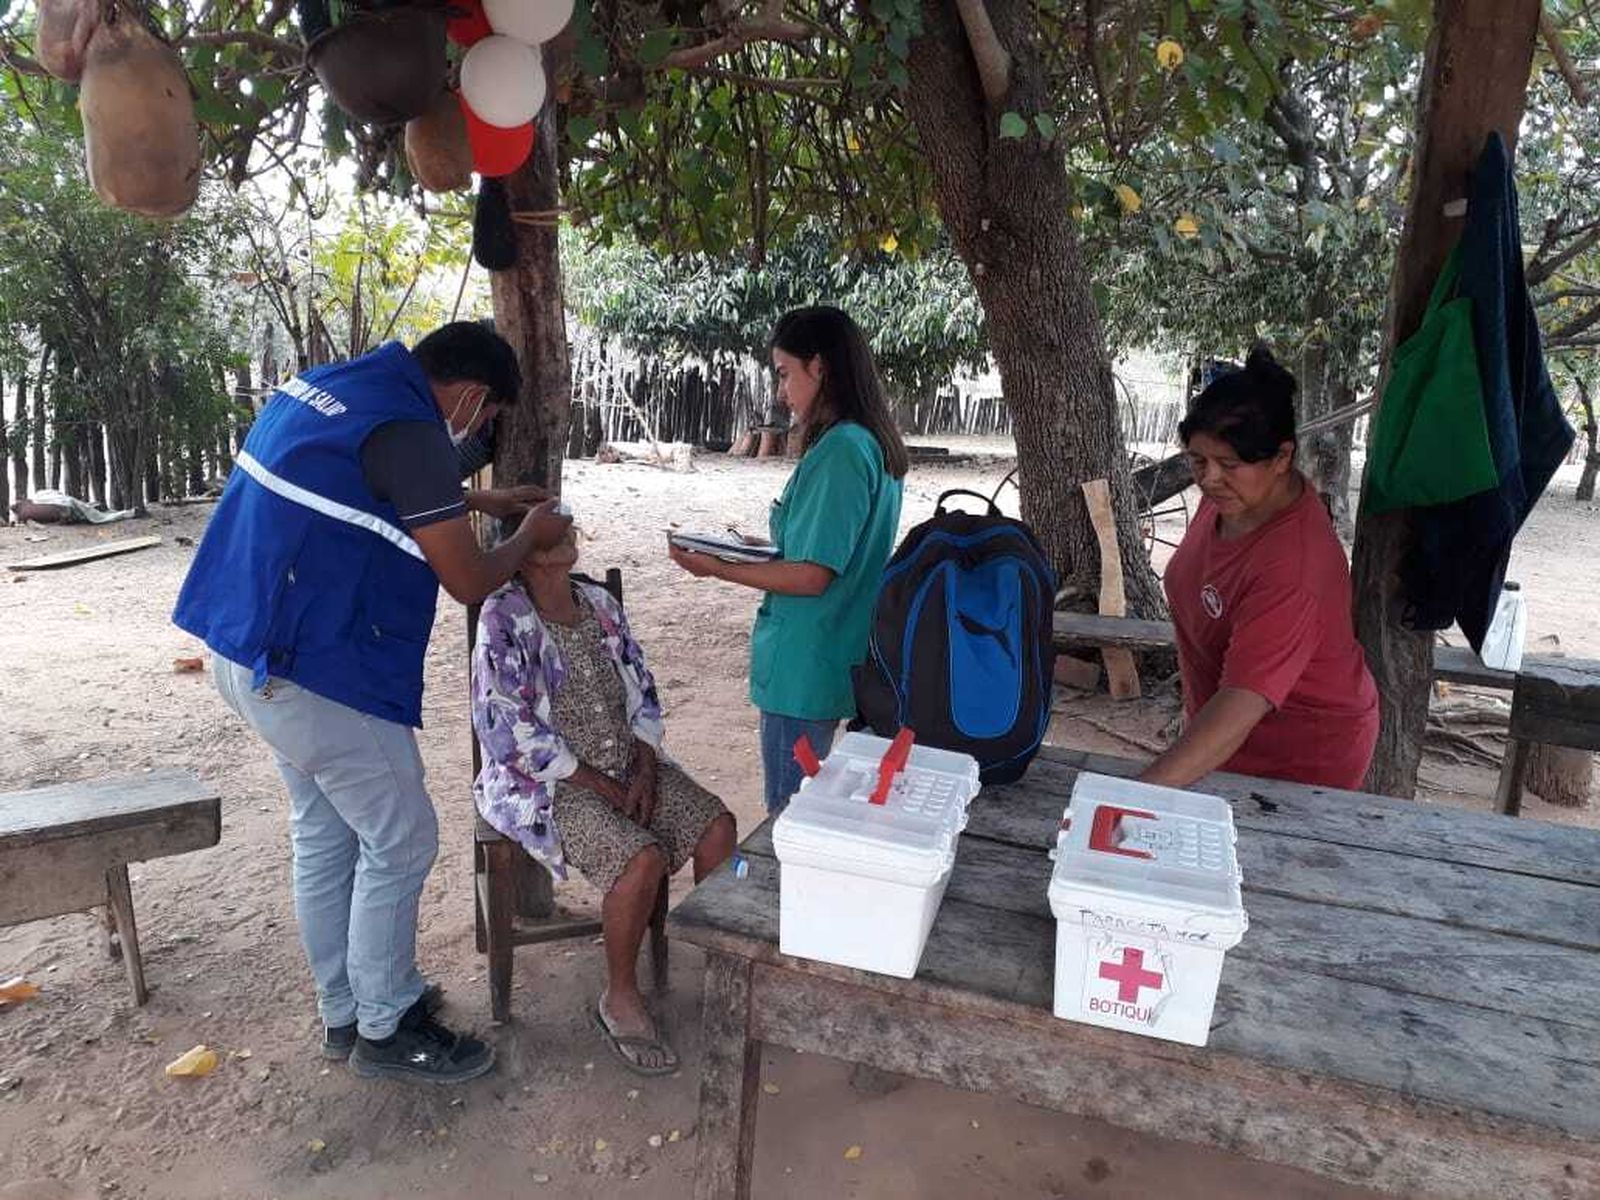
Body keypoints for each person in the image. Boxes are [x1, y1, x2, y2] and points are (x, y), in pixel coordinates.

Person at [172, 323, 572, 1085]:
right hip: (309, 671)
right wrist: (527, 533)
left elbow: (364, 479)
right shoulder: (414, 432)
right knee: (404, 839)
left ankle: (346, 1011)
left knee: (325, 835)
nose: (480, 430)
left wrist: (474, 496)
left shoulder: (333, 386)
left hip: (244, 648)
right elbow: (468, 578)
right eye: (487, 417)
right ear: (471, 395)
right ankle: (388, 1029)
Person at [472, 520, 736, 1075]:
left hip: (627, 765)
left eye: (564, 524)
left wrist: (644, 765)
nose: (565, 530)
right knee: (640, 861)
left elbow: (643, 688)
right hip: (548, 784)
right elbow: (510, 731)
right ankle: (619, 997)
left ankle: (725, 975)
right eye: (547, 529)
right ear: (522, 552)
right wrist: (601, 784)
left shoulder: (599, 602)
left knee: (718, 828)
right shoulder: (503, 617)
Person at [668, 306, 908, 814]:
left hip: (805, 661)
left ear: (819, 367)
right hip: (835, 649)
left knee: (790, 812)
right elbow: (825, 547)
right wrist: (753, 547)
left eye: (783, 373)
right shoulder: (869, 443)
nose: (780, 391)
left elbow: (813, 574)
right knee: (813, 806)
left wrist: (718, 567)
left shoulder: (842, 450)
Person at [1140, 346, 1379, 791]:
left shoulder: (1294, 566)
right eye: (1198, 460)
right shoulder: (1234, 499)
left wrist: (1132, 795)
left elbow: (1242, 699)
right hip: (1221, 731)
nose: (1209, 478)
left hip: (1300, 754)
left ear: (1282, 458)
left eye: (1229, 464)